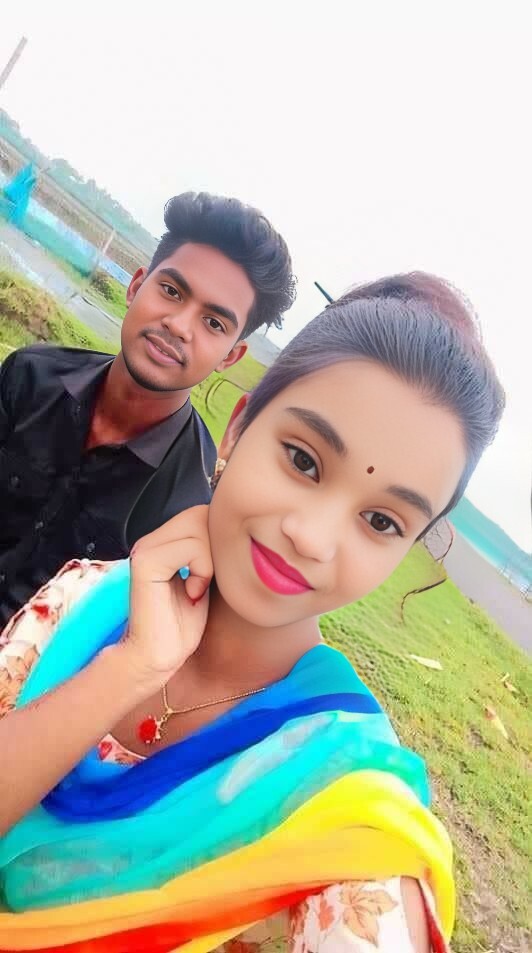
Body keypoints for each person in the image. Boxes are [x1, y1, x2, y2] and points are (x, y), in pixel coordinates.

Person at [0, 273, 504, 951]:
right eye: (303, 460)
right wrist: (130, 668)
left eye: (382, 521)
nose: (313, 537)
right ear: (237, 428)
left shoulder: (346, 803)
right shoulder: (82, 599)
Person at [0, 191, 296, 627]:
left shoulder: (192, 506)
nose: (179, 325)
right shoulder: (30, 376)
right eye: (172, 291)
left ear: (230, 356)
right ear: (137, 285)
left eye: (213, 323)